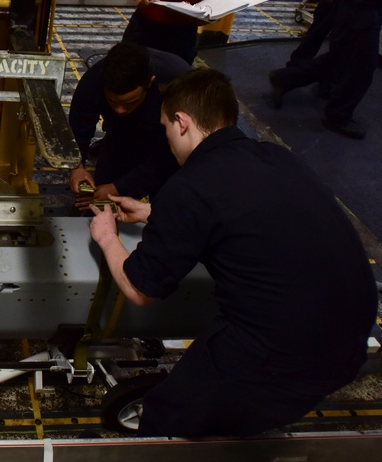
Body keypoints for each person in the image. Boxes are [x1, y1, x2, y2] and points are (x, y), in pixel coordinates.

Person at [88, 67, 376, 438]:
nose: (167, 139)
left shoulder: (188, 185)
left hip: (283, 351)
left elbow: (140, 289)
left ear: (182, 122)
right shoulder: (273, 156)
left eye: (165, 128)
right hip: (353, 335)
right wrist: (153, 214)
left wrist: (108, 236)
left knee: (169, 417)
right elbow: (242, 214)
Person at [268, 0, 382, 139]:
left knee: (339, 57)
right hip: (364, 6)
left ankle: (285, 78)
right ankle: (338, 116)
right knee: (362, 67)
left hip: (356, 2)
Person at [67, 42, 190, 209]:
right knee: (102, 193)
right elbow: (78, 130)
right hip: (120, 131)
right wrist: (77, 166)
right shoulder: (93, 81)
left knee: (165, 203)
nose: (120, 110)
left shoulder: (177, 84)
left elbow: (164, 159)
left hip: (168, 139)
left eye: (129, 102)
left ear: (150, 83)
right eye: (113, 101)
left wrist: (119, 188)